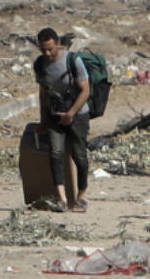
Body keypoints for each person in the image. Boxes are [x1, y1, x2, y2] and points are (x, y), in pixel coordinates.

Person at [34, 27, 90, 213]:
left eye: (51, 49)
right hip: (54, 114)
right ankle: (62, 198)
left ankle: (81, 196)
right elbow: (43, 93)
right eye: (43, 50)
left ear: (58, 44)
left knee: (79, 155)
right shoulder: (40, 64)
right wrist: (43, 120)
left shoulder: (73, 61)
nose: (48, 53)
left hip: (78, 114)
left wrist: (71, 114)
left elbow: (85, 91)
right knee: (55, 153)